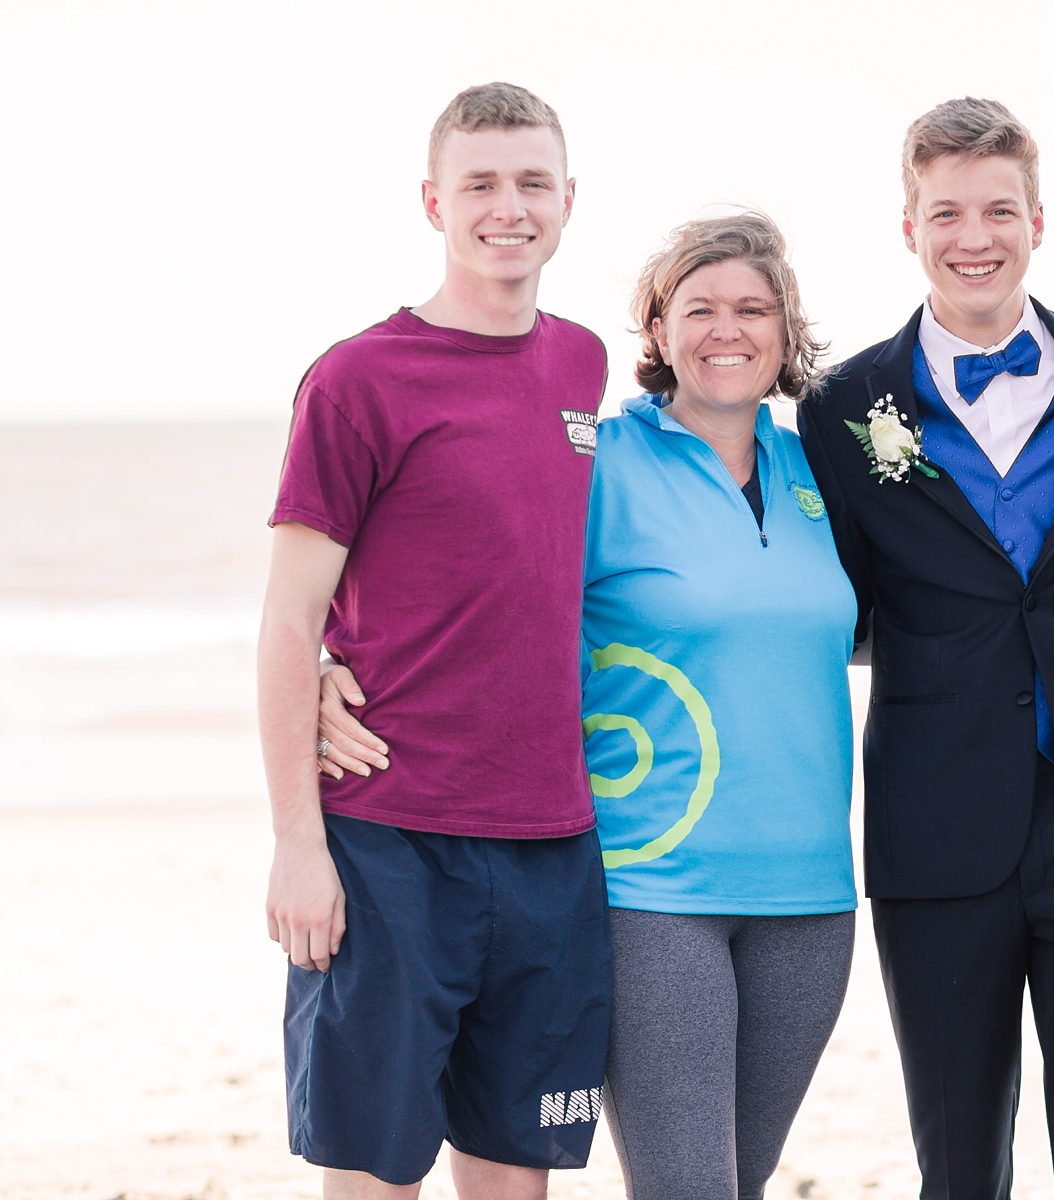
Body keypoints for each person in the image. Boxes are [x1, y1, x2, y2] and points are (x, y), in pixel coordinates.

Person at [316, 212, 860, 1200]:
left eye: (752, 309)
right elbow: (458, 566)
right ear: (655, 332)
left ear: (786, 332)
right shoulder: (598, 459)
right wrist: (329, 661)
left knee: (737, 1184)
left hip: (812, 898)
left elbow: (893, 612)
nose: (725, 330)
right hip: (652, 890)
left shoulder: (821, 466)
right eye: (697, 308)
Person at [798, 98, 1054, 1200]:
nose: (976, 236)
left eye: (999, 210)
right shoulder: (843, 405)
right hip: (935, 827)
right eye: (946, 212)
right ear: (907, 228)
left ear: (1040, 221)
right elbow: (834, 604)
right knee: (960, 1159)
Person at [258, 83, 612, 1200]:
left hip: (555, 844)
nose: (508, 209)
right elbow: (285, 619)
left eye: (531, 183)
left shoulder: (585, 367)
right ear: (433, 203)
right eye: (480, 185)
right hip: (389, 847)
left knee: (516, 1178)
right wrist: (298, 846)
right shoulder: (359, 379)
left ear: (568, 201)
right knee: (374, 1176)